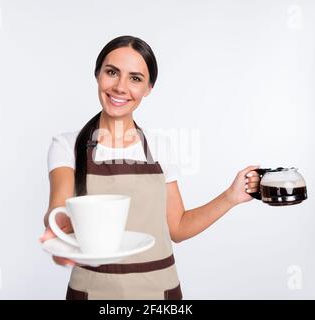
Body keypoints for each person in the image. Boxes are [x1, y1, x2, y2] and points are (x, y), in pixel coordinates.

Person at [39, 35, 261, 300]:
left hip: (159, 292)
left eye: (135, 78)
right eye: (112, 72)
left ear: (148, 88)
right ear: (97, 74)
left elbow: (177, 227)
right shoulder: (67, 145)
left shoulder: (160, 146)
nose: (121, 87)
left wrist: (231, 197)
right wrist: (59, 229)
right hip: (91, 292)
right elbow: (59, 206)